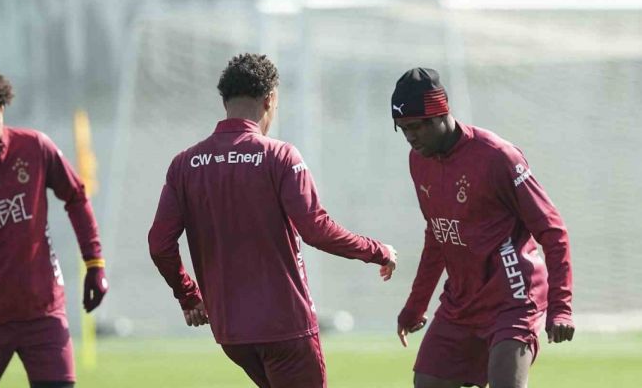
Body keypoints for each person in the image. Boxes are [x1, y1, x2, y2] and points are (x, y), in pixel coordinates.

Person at [148, 53, 397, 388]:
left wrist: (188, 294)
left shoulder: (184, 164)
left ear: (225, 102)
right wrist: (377, 250)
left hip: (232, 333)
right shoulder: (279, 156)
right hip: (285, 328)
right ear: (269, 99)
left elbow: (159, 244)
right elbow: (316, 229)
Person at [391, 68, 574, 388]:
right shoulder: (418, 160)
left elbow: (552, 230)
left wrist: (561, 307)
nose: (410, 137)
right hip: (461, 302)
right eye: (403, 128)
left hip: (513, 297)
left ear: (440, 114)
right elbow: (438, 235)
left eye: (416, 126)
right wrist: (415, 306)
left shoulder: (497, 156)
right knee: (428, 382)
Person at [0, 66, 109, 388]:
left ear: (3, 111)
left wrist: (94, 263)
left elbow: (76, 196)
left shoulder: (35, 148)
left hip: (43, 312)